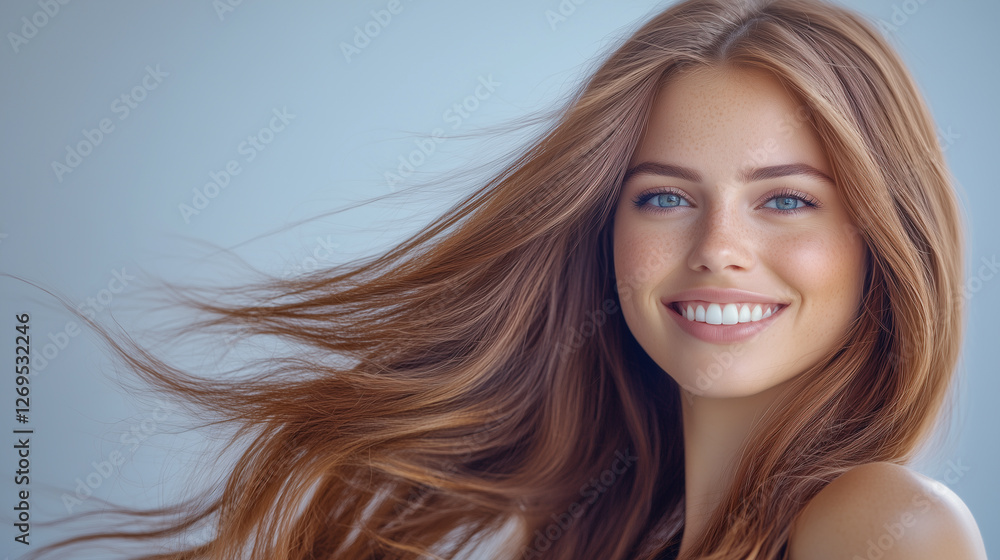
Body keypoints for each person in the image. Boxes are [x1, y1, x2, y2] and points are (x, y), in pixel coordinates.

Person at [30, 0, 986, 558]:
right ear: (601, 234)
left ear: (883, 239)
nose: (717, 249)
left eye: (784, 201)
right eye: (662, 199)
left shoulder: (884, 527)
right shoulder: (600, 535)